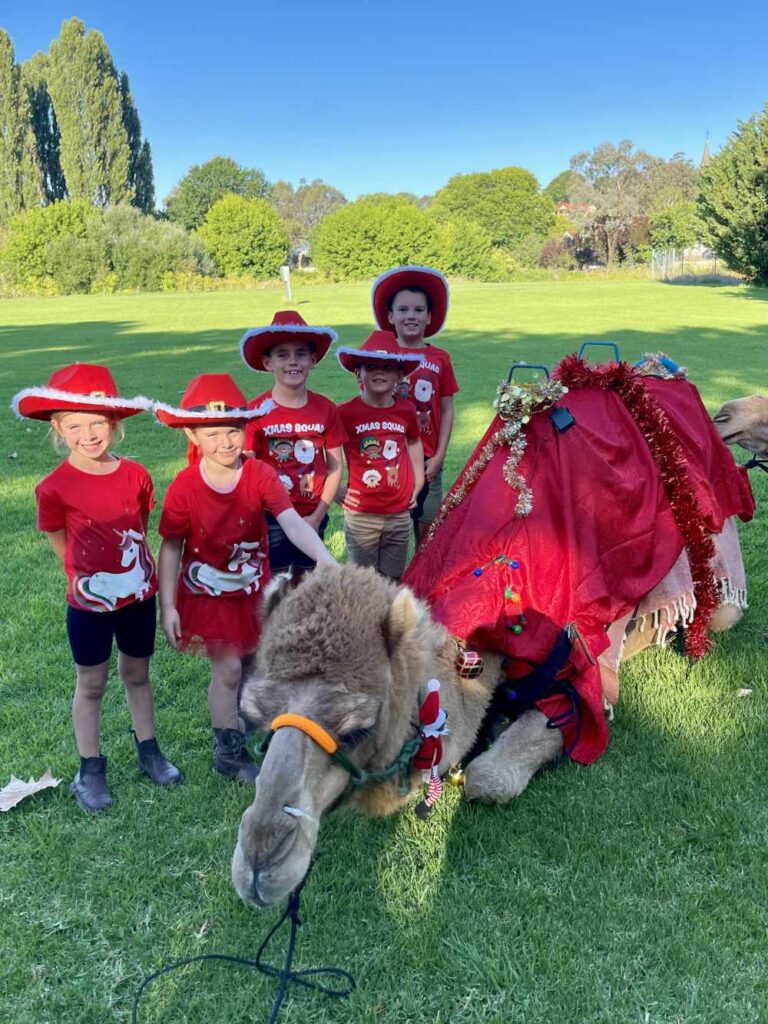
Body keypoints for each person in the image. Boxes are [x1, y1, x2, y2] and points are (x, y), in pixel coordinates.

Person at [11, 364, 181, 813]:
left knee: (137, 674)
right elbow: (60, 542)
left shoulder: (137, 475)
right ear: (57, 428)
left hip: (138, 599)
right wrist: (85, 581)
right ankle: (90, 768)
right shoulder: (53, 487)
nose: (88, 434)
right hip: (88, 606)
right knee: (91, 682)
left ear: (115, 425)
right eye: (74, 425)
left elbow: (138, 528)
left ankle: (149, 751)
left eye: (97, 423)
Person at [154, 374, 334, 781]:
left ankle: (251, 726)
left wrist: (323, 557)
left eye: (233, 431)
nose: (225, 442)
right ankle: (228, 753)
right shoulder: (184, 487)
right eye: (213, 433)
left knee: (257, 663)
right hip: (209, 594)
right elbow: (170, 546)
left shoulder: (260, 474)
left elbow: (291, 521)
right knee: (229, 670)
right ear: (194, 437)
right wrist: (167, 605)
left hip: (252, 588)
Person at [240, 311, 347, 579]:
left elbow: (335, 465)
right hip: (271, 517)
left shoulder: (326, 409)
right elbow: (248, 470)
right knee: (275, 583)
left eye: (300, 353)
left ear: (313, 359)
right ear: (267, 362)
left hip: (313, 511)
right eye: (282, 354)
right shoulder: (255, 411)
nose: (292, 362)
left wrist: (319, 513)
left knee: (308, 580)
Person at [371, 266, 459, 541]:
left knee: (428, 529)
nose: (411, 316)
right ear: (390, 316)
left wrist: (440, 456)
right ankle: (390, 582)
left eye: (419, 310)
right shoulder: (377, 355)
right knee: (390, 535)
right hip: (390, 458)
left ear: (429, 316)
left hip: (429, 460)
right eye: (403, 310)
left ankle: (423, 582)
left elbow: (446, 409)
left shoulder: (440, 357)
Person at [336, 331, 424, 581]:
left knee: (393, 577)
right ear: (358, 373)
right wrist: (334, 490)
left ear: (400, 375)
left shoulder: (406, 410)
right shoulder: (346, 413)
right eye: (371, 366)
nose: (379, 372)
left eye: (387, 367)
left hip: (398, 512)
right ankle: (364, 621)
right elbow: (328, 450)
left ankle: (387, 620)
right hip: (361, 513)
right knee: (363, 581)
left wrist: (418, 481)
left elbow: (415, 442)